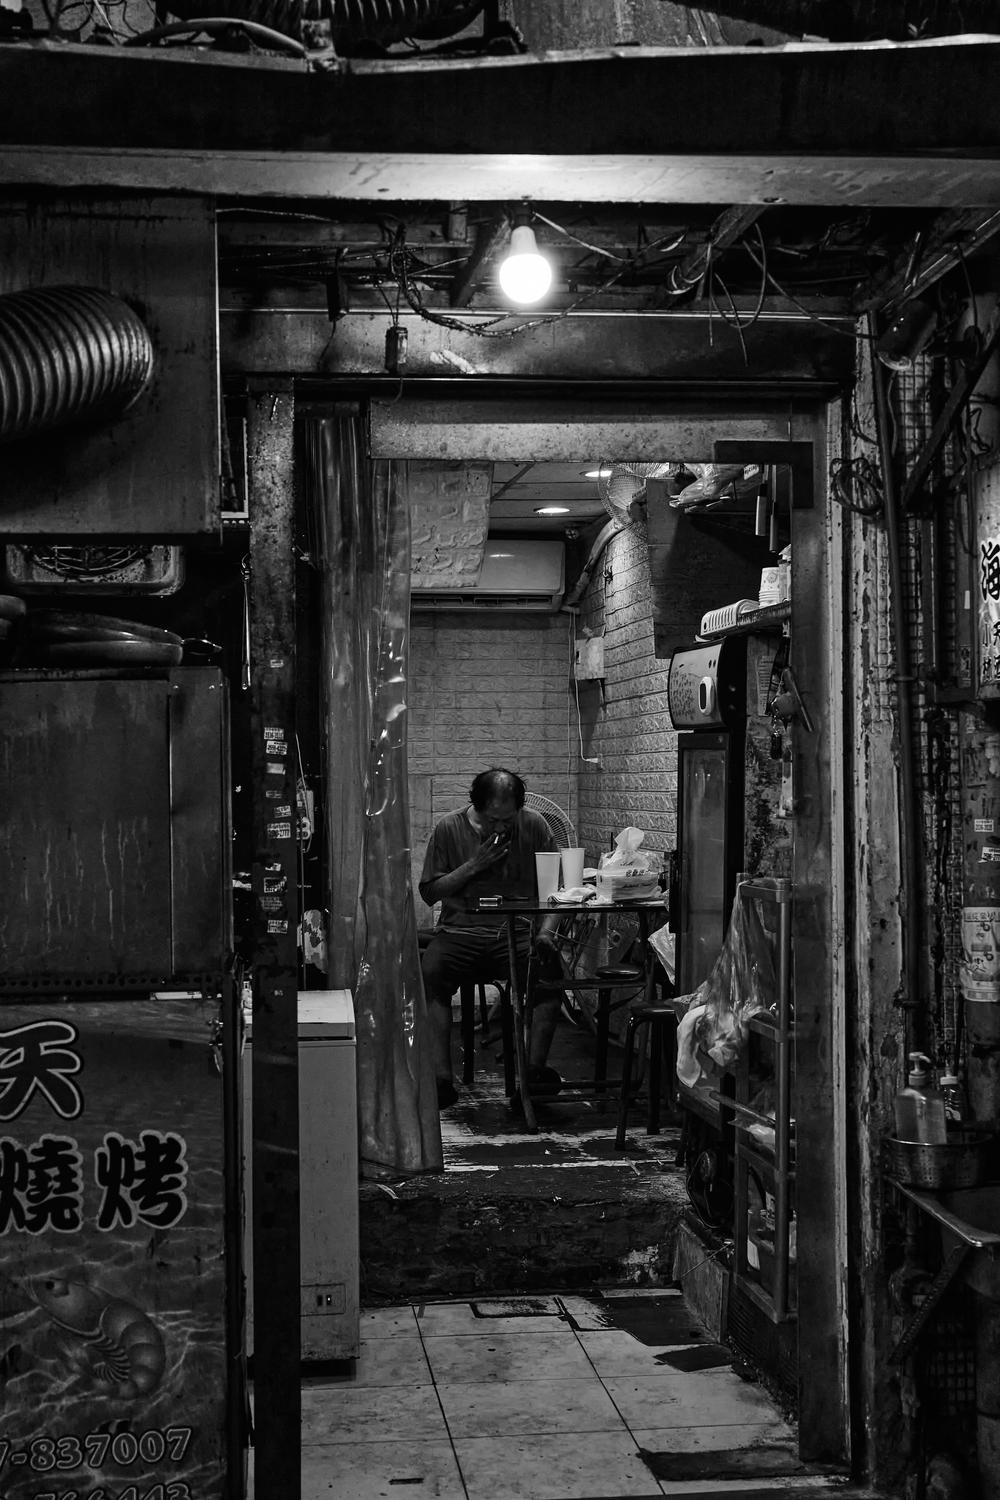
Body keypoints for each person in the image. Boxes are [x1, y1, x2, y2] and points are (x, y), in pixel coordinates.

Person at [419, 767, 566, 1109]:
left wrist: (546, 932)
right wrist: (474, 865)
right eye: (492, 820)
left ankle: (533, 1076)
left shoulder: (534, 826)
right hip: (460, 931)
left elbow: (559, 890)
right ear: (477, 806)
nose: (500, 828)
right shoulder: (449, 827)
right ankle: (441, 1079)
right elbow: (429, 892)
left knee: (551, 975)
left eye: (507, 820)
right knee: (431, 973)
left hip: (517, 933)